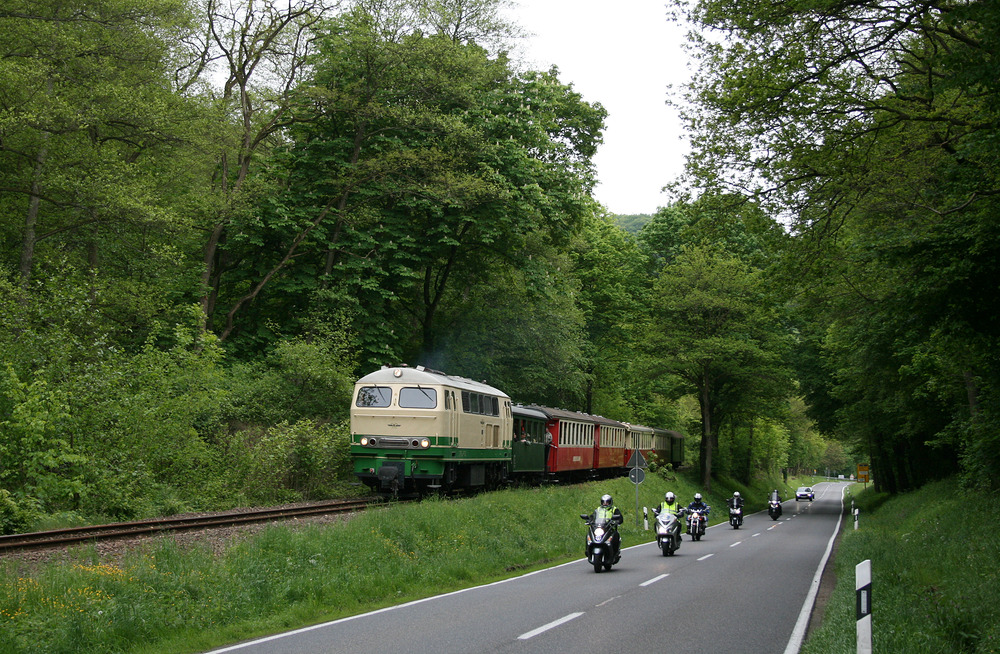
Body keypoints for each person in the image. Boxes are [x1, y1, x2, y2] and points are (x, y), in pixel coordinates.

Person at [593, 494, 623, 560]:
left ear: (610, 502)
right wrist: (590, 520)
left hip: (611, 529)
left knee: (616, 535)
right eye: (604, 502)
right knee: (590, 535)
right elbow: (593, 516)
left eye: (607, 502)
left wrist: (617, 521)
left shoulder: (614, 509)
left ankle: (615, 553)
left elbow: (620, 518)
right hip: (600, 527)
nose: (605, 504)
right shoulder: (598, 509)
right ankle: (588, 550)